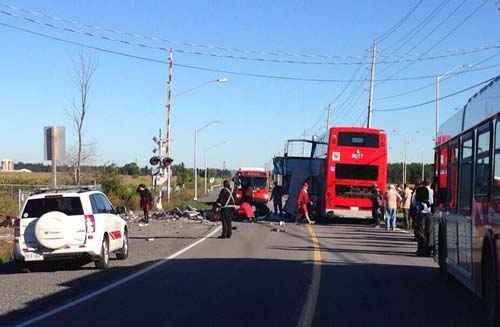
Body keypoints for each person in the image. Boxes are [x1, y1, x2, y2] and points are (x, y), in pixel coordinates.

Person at [414, 180, 432, 256]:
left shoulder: (418, 191)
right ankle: (428, 250)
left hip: (421, 213)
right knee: (429, 232)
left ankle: (421, 250)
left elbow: (414, 203)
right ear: (430, 183)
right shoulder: (432, 191)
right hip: (430, 214)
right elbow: (432, 202)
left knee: (421, 232)